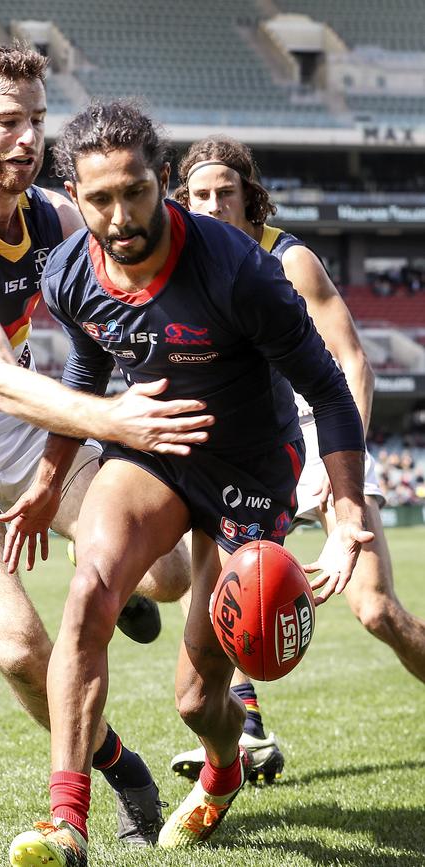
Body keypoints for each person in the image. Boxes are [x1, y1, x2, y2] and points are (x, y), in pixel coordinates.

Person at [0, 44, 212, 846]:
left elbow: (147, 237)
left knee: (168, 572)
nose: (28, 139)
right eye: (8, 121)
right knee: (20, 646)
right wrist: (114, 417)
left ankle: (115, 592)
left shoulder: (51, 215)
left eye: (38, 121)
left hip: (18, 420)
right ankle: (116, 760)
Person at [5, 101, 372, 865]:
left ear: (162, 181)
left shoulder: (240, 270)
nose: (119, 214)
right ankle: (64, 821)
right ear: (73, 193)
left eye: (135, 191)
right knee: (89, 591)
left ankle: (223, 768)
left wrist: (346, 509)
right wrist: (47, 481)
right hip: (153, 449)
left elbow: (330, 390)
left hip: (249, 467)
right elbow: (86, 370)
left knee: (199, 698)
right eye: (98, 198)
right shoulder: (71, 273)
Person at [168, 135, 425, 788]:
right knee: (227, 578)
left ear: (249, 196)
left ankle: (245, 726)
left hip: (325, 444)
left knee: (377, 612)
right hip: (255, 457)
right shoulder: (185, 266)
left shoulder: (291, 259)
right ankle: (247, 727)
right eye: (200, 194)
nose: (214, 204)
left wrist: (342, 478)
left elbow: (354, 364)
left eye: (226, 191)